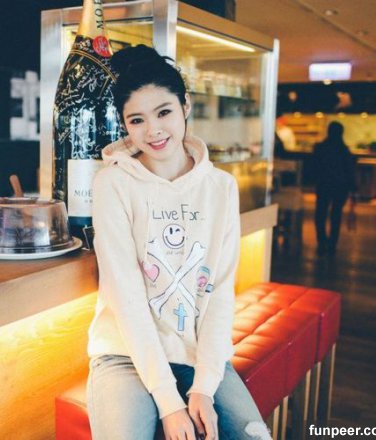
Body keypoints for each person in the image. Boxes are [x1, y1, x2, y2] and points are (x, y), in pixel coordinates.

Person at [87, 45, 271, 440]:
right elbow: (126, 297)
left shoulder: (221, 187)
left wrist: (204, 385)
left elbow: (220, 293)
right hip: (124, 353)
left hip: (197, 353)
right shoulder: (112, 183)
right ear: (125, 125)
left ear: (185, 105)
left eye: (164, 112)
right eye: (137, 120)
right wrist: (170, 403)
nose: (153, 130)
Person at [312, 121, 356, 256]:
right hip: (340, 186)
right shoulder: (344, 150)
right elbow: (349, 170)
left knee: (320, 214)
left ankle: (321, 242)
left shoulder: (320, 148)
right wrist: (352, 186)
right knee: (336, 215)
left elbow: (315, 167)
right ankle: (332, 244)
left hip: (323, 184)